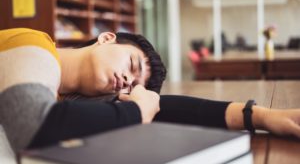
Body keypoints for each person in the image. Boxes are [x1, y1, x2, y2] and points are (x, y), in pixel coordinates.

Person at [1, 28, 300, 158]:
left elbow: (162, 107)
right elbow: (33, 125)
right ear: (107, 38)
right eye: (131, 64)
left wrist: (259, 116)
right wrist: (137, 111)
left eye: (133, 86)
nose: (126, 81)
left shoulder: (72, 99)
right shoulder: (34, 47)